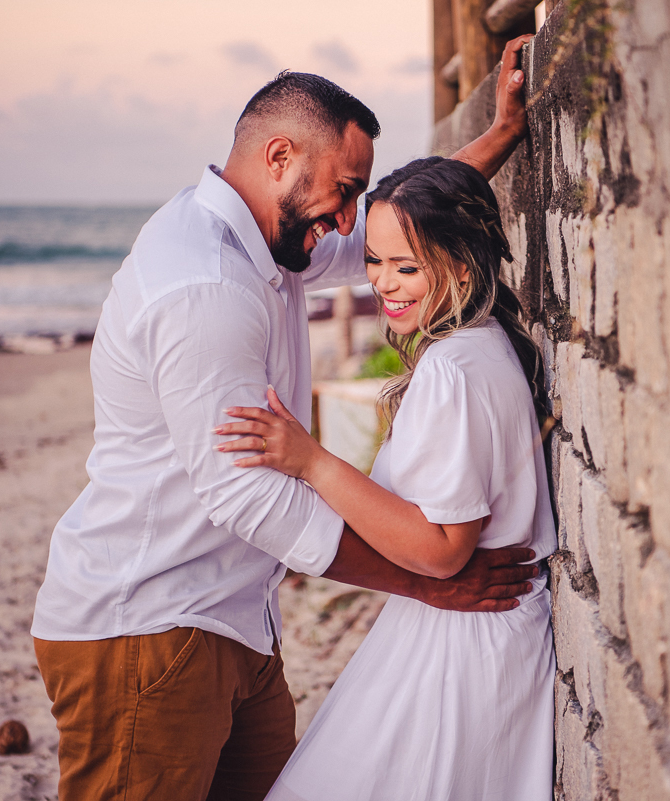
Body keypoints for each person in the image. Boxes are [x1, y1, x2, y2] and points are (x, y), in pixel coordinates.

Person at [31, 36, 537, 801]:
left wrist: (500, 134)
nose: (345, 223)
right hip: (146, 628)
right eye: (341, 191)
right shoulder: (204, 284)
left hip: (232, 622)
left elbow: (406, 229)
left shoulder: (277, 241)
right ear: (279, 157)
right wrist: (426, 581)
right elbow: (248, 496)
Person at [215, 156, 556, 800]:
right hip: (480, 633)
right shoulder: (484, 342)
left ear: (460, 264)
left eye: (407, 266)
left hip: (462, 643)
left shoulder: (452, 369)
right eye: (373, 260)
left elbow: (442, 549)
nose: (385, 285)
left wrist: (312, 462)